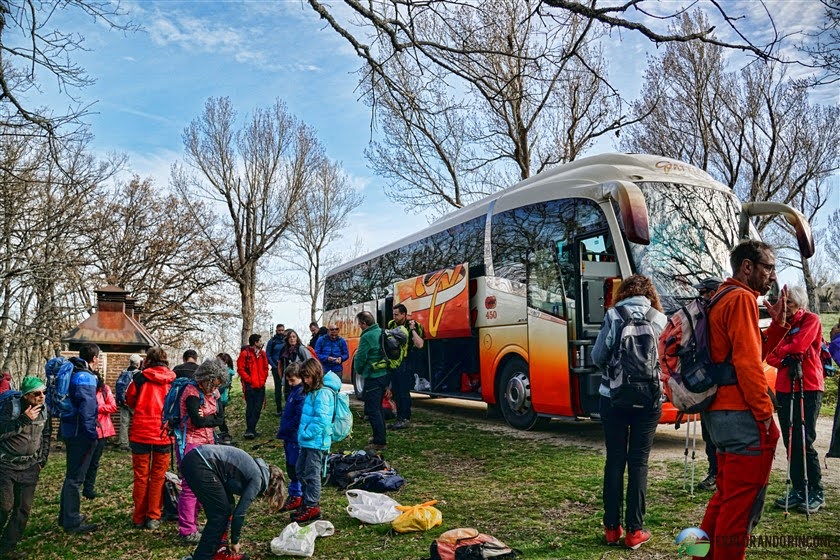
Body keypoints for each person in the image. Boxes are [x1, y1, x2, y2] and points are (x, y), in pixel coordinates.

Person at [698, 240, 789, 559]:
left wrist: (777, 326)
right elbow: (748, 365)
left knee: (725, 497)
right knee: (739, 509)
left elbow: (743, 354)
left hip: (717, 414)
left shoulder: (721, 296)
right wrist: (765, 416)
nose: (773, 276)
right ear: (747, 266)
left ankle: (698, 555)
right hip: (740, 416)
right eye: (768, 267)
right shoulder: (741, 298)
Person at [591, 274, 666, 550]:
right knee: (639, 463)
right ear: (650, 293)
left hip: (613, 398)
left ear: (623, 292)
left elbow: (597, 357)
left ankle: (612, 529)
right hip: (648, 402)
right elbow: (667, 360)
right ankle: (635, 532)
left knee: (615, 461)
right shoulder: (659, 319)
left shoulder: (613, 315)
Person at [766, 285, 825, 513]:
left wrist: (783, 350)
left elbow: (799, 345)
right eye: (783, 302)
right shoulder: (780, 325)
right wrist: (784, 356)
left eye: (789, 302)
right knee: (790, 441)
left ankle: (816, 490)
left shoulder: (811, 320)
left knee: (804, 439)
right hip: (784, 386)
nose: (785, 306)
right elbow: (768, 354)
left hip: (808, 385)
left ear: (799, 303)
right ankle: (799, 489)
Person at [178, 445, 286, 560]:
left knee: (227, 508)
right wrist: (235, 541)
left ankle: (219, 548)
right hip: (200, 463)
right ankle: (202, 557)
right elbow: (240, 514)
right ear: (270, 487)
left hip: (196, 460)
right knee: (219, 514)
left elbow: (231, 506)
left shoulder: (253, 470)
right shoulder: (257, 479)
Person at [125, 346, 176, 530]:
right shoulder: (172, 379)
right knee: (158, 476)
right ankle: (153, 516)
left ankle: (138, 517)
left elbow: (129, 399)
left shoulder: (139, 378)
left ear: (148, 360)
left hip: (141, 432)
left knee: (141, 476)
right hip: (163, 432)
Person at [177, 359, 228, 543]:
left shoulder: (214, 393)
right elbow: (196, 422)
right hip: (190, 443)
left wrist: (206, 417)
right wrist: (210, 418)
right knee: (189, 486)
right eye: (215, 382)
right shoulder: (191, 392)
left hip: (209, 443)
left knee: (203, 486)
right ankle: (186, 529)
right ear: (208, 378)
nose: (217, 386)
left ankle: (193, 522)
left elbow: (221, 419)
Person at [0, 376, 51, 558]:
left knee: (23, 509)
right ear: (26, 395)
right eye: (36, 394)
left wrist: (42, 460)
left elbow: (46, 435)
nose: (41, 397)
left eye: (44, 393)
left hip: (30, 466)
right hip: (6, 466)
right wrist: (23, 420)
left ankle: (7, 548)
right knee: (4, 507)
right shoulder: (10, 408)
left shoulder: (45, 410)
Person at [58, 342, 101, 534]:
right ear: (94, 358)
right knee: (75, 479)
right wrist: (92, 434)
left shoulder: (73, 371)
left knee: (71, 476)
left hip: (69, 430)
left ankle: (66, 516)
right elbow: (87, 408)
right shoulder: (86, 377)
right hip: (80, 433)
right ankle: (72, 521)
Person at [291, 358, 340, 523]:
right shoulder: (312, 392)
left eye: (308, 377)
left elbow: (322, 420)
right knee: (301, 470)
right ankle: (307, 501)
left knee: (312, 474)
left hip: (316, 442)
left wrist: (306, 433)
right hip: (307, 441)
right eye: (303, 377)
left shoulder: (323, 393)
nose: (305, 380)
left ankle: (312, 506)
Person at [693, 277, 723, 493]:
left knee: (717, 434)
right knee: (708, 433)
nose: (701, 297)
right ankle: (714, 472)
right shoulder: (702, 316)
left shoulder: (720, 314)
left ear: (712, 293)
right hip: (705, 379)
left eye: (704, 292)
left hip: (719, 381)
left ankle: (719, 474)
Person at [353, 311, 388, 452]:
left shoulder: (367, 336)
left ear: (363, 323)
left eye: (360, 324)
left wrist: (359, 370)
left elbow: (360, 358)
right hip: (384, 374)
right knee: (378, 407)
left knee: (373, 409)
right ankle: (379, 435)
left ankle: (379, 441)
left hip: (373, 375)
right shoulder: (381, 331)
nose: (359, 326)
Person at [386, 305, 424, 430]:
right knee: (396, 390)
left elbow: (420, 345)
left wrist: (412, 330)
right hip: (394, 362)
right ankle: (399, 417)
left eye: (397, 314)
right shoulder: (391, 324)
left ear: (404, 315)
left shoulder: (415, 325)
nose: (394, 317)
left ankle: (405, 418)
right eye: (393, 314)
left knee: (404, 391)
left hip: (407, 362)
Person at [82, 372, 117, 500]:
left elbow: (113, 406)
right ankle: (80, 484)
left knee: (95, 461)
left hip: (102, 430)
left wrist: (96, 407)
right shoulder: (84, 390)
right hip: (86, 428)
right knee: (84, 460)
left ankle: (88, 488)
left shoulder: (105, 389)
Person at [276, 362, 305, 512]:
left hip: (295, 437)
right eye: (288, 380)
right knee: (290, 465)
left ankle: (298, 495)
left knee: (295, 467)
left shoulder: (301, 393)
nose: (290, 383)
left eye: (292, 380)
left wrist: (288, 428)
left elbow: (298, 417)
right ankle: (295, 493)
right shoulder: (293, 392)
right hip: (289, 436)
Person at [237, 334, 269, 440]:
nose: (261, 343)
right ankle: (249, 429)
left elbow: (265, 367)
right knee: (250, 407)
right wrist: (249, 380)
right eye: (260, 341)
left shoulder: (263, 354)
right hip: (250, 386)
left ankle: (252, 429)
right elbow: (240, 369)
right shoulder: (245, 354)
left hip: (260, 385)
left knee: (258, 408)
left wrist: (263, 379)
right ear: (255, 342)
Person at [116, 354, 142, 451]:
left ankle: (123, 443)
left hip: (123, 401)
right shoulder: (139, 374)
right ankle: (136, 442)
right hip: (134, 402)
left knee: (124, 423)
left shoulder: (124, 372)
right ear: (138, 363)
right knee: (137, 422)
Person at [266, 324, 286, 416]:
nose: (281, 332)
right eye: (279, 330)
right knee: (278, 388)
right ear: (276, 331)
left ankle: (288, 408)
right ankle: (279, 409)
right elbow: (268, 355)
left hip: (286, 366)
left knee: (288, 388)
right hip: (276, 367)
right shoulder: (272, 341)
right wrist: (273, 365)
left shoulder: (287, 340)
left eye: (282, 330)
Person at [215, 352, 235, 445]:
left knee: (220, 416)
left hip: (221, 398)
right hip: (219, 397)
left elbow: (225, 385)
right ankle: (223, 433)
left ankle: (225, 434)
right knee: (219, 416)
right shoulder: (220, 371)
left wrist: (216, 391)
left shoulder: (227, 372)